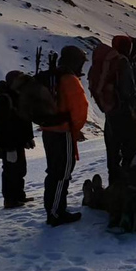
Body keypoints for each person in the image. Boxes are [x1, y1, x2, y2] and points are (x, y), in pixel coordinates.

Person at [41, 45, 89, 227]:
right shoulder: (69, 79)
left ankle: (54, 210)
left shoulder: (53, 77)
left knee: (54, 171)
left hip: (49, 131)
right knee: (62, 173)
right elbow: (79, 109)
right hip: (63, 132)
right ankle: (56, 213)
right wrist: (75, 130)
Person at [83, 150, 136, 233]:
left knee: (109, 195)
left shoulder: (128, 181)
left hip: (125, 206)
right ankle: (98, 192)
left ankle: (93, 196)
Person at [104, 35, 136, 184]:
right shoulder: (124, 62)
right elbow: (129, 91)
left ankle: (114, 187)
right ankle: (127, 187)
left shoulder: (109, 61)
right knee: (129, 152)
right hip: (126, 115)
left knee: (113, 154)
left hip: (110, 115)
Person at [0, 71, 35, 209]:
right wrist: (8, 146)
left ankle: (19, 196)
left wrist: (28, 138)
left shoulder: (16, 96)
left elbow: (24, 120)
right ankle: (10, 199)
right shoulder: (5, 99)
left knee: (20, 170)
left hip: (17, 142)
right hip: (9, 143)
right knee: (11, 171)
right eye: (19, 79)